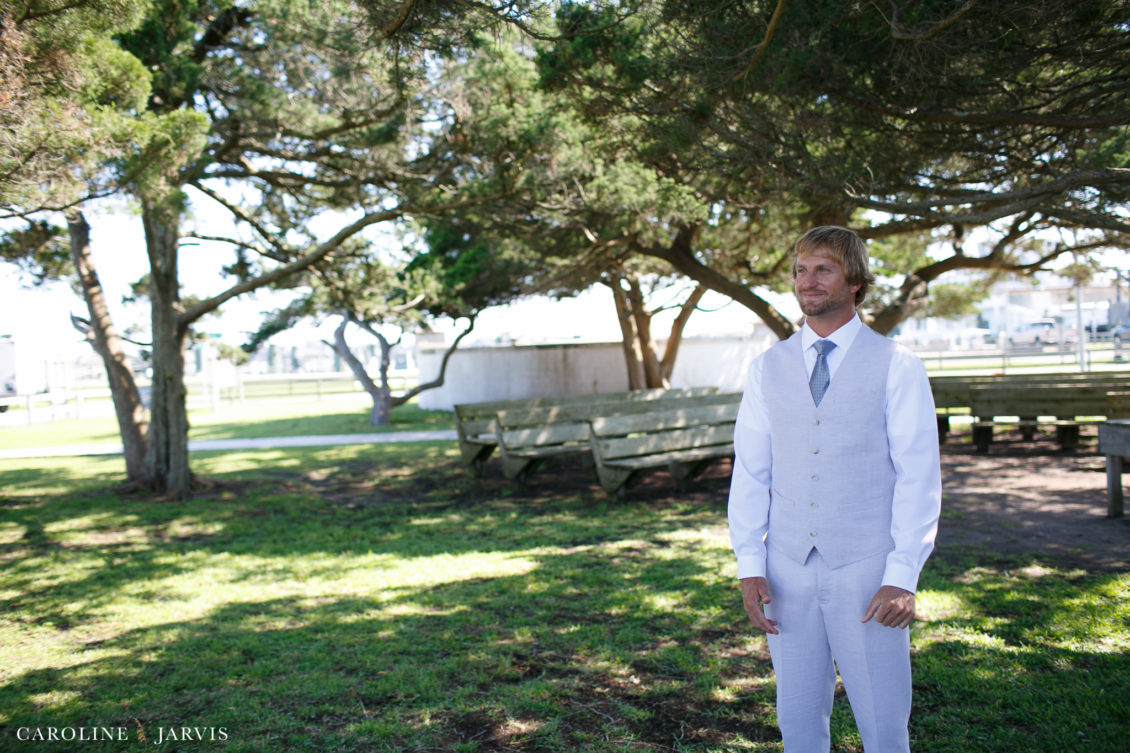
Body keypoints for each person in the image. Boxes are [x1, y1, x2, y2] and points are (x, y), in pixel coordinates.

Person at [727, 225, 941, 753]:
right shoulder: (766, 369)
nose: (808, 281)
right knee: (797, 722)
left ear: (856, 281)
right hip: (787, 571)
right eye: (800, 270)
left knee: (884, 726)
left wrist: (902, 575)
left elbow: (919, 476)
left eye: (823, 269)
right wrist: (749, 564)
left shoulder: (897, 364)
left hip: (868, 570)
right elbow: (751, 472)